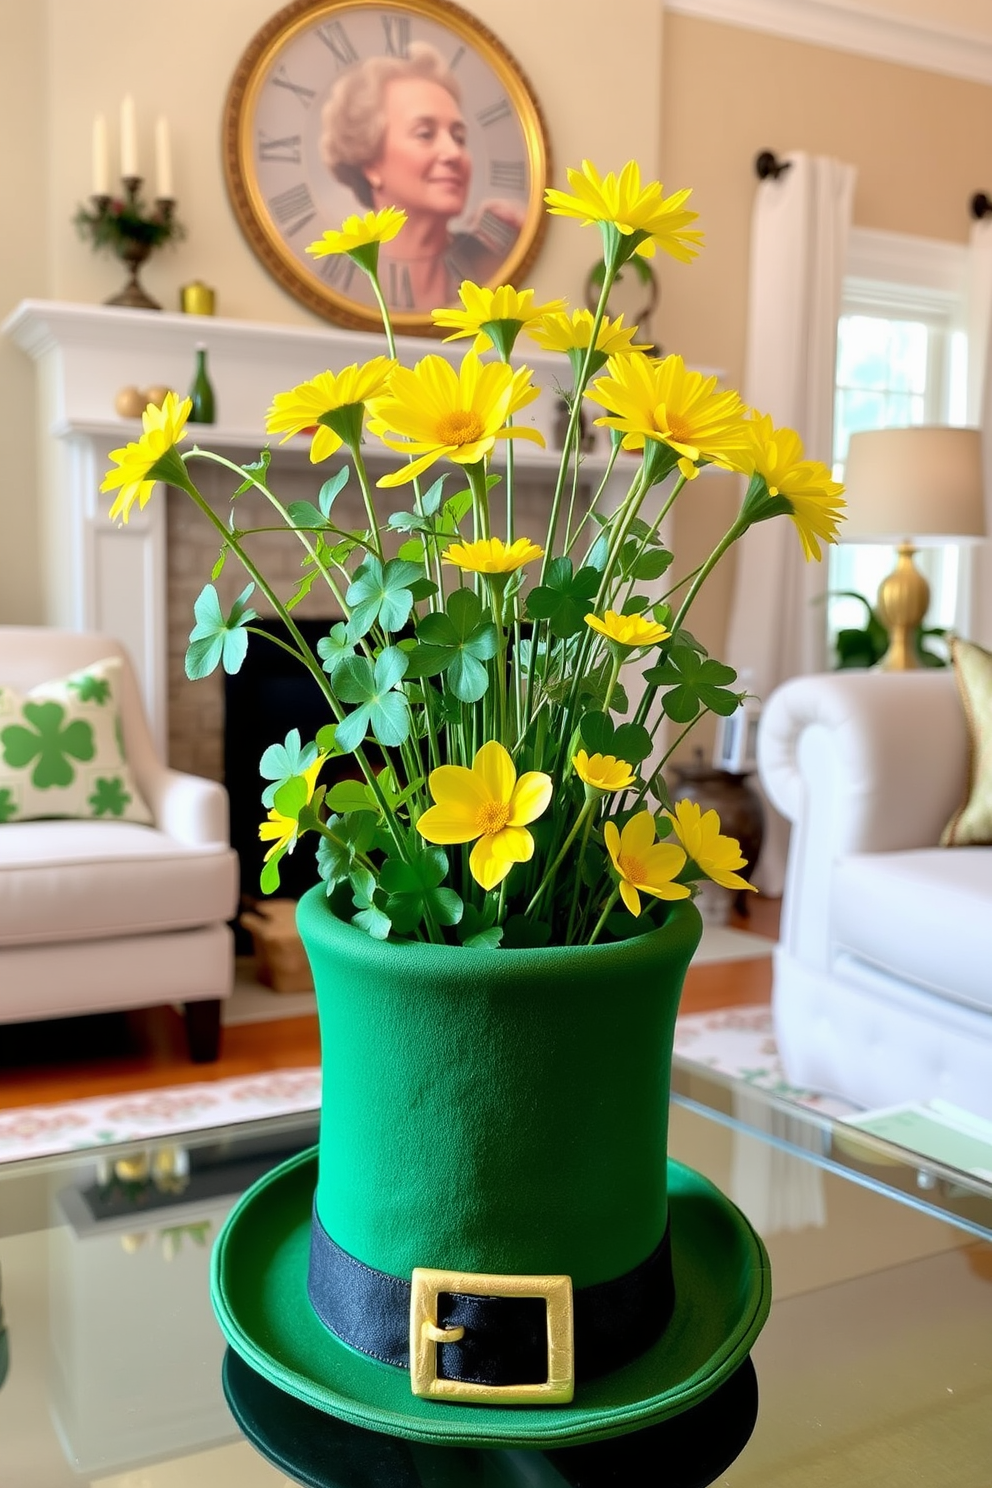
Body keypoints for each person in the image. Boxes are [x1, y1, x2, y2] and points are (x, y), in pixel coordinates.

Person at [321, 43, 523, 311]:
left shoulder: (491, 263)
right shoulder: (346, 280)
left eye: (459, 138)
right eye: (425, 134)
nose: (453, 153)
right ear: (370, 163)